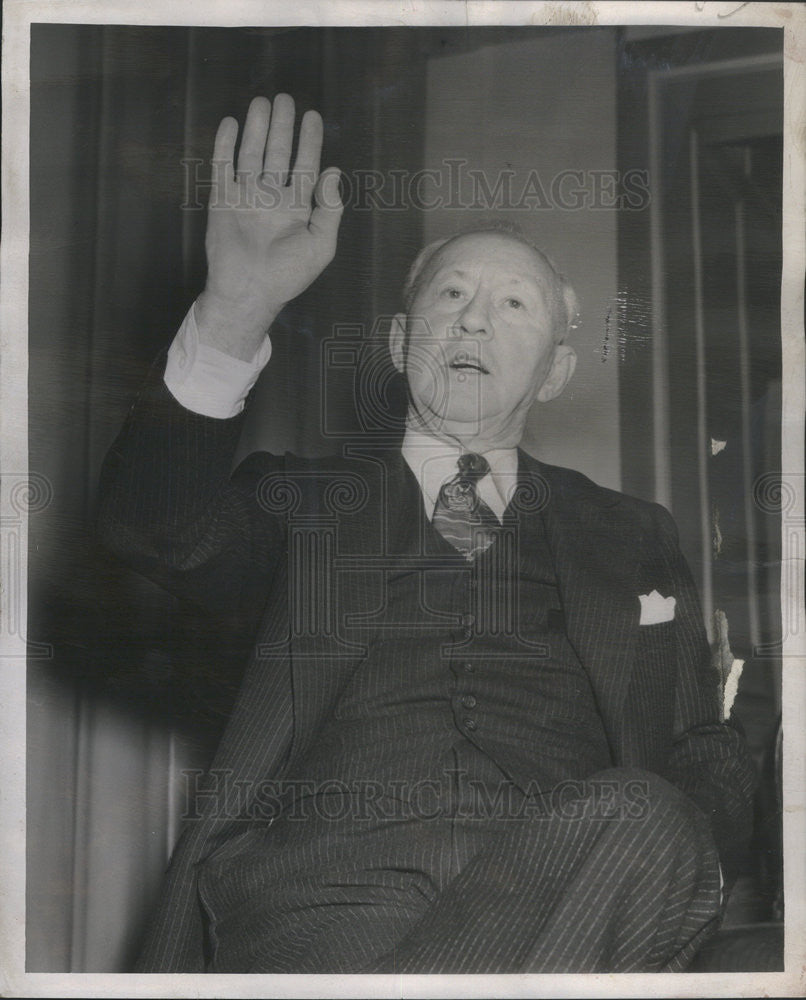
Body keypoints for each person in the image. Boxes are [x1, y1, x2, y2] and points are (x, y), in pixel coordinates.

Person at [98, 94, 755, 974]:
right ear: (404, 339)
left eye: (514, 303)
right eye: (451, 294)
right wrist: (234, 308)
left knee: (650, 814)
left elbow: (697, 757)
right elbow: (153, 525)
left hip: (571, 889)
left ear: (557, 368)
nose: (475, 319)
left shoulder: (633, 533)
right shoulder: (302, 499)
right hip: (324, 905)